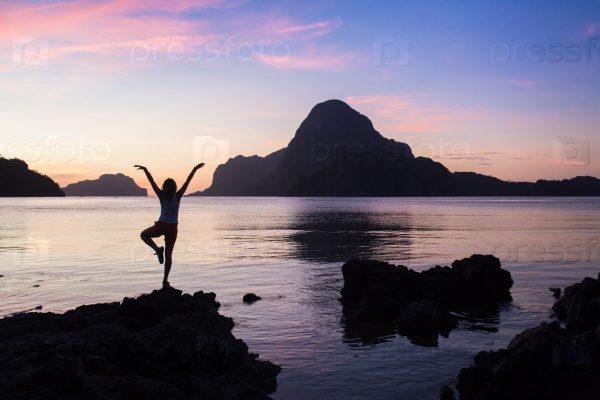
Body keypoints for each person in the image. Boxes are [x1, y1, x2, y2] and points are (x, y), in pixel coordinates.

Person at [135, 163, 204, 288]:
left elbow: (152, 182)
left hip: (161, 225)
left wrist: (146, 170)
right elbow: (188, 181)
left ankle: (157, 250)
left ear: (164, 187)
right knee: (169, 256)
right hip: (172, 229)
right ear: (175, 187)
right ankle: (165, 281)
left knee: (143, 235)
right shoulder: (177, 196)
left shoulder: (161, 195)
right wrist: (194, 169)